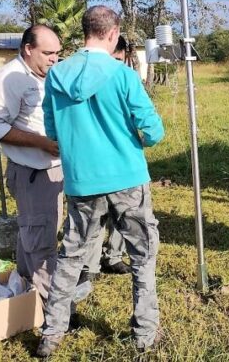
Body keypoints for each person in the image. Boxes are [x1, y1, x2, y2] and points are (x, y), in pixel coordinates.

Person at [37, 6, 165, 357]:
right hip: (128, 178)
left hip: (81, 181)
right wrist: (137, 142)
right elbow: (154, 130)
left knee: (71, 256)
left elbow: (51, 130)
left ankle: (52, 333)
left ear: (85, 32)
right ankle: (144, 333)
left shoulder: (57, 74)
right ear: (113, 33)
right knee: (143, 255)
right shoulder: (122, 75)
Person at [0, 25, 62, 302]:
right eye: (48, 53)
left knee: (34, 231)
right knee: (41, 240)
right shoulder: (9, 78)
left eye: (57, 53)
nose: (54, 59)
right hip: (31, 173)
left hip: (50, 169)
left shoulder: (42, 76)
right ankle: (53, 308)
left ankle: (25, 292)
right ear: (28, 49)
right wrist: (40, 142)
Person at [83, 34, 133, 279]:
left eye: (119, 60)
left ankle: (113, 256)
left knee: (122, 216)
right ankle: (89, 265)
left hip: (122, 161)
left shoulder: (124, 79)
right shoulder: (86, 80)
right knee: (95, 217)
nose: (115, 64)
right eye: (113, 59)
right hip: (94, 160)